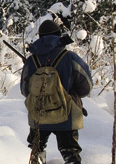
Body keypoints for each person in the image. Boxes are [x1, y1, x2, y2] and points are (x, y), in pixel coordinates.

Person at [21, 19, 93, 164]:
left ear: (40, 37)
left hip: (38, 115)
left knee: (35, 149)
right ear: (59, 35)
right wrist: (71, 95)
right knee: (70, 152)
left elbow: (25, 90)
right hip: (67, 115)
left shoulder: (31, 61)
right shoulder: (70, 57)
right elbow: (87, 85)